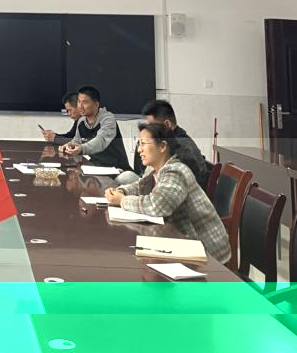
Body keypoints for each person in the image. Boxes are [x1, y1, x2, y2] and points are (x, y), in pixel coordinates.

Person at [105, 122, 230, 264]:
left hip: (207, 252)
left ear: (162, 146)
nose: (139, 150)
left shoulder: (176, 172)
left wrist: (122, 200)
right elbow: (140, 186)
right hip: (184, 242)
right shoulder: (156, 169)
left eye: (143, 144)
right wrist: (121, 191)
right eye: (139, 144)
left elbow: (157, 206)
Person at [135, 100, 211, 187]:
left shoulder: (180, 148)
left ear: (167, 124)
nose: (148, 130)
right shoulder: (177, 140)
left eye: (152, 126)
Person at [58, 86, 132, 171]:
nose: (80, 106)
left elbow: (100, 141)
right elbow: (77, 141)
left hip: (116, 168)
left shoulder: (108, 119)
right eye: (79, 101)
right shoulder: (81, 121)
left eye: (85, 102)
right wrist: (68, 145)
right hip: (95, 166)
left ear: (96, 104)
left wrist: (82, 148)